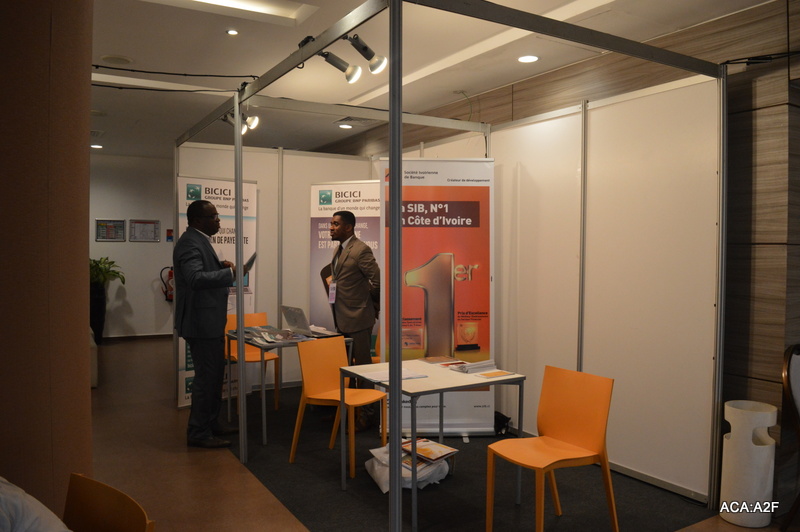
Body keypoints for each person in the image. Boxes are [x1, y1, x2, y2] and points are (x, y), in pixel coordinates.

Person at [174, 200, 241, 448]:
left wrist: (219, 266)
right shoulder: (190, 242)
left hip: (209, 323)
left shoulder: (199, 239)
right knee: (206, 379)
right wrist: (229, 274)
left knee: (214, 377)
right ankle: (198, 432)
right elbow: (194, 278)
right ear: (198, 220)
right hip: (201, 324)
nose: (218, 220)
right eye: (213, 216)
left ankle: (212, 423)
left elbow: (202, 270)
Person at [328, 211, 381, 429]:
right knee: (347, 368)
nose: (331, 227)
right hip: (341, 318)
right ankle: (350, 410)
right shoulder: (339, 249)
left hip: (359, 318)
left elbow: (377, 281)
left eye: (335, 224)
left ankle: (367, 414)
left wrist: (369, 305)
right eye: (331, 223)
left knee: (363, 369)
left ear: (348, 227)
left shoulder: (361, 249)